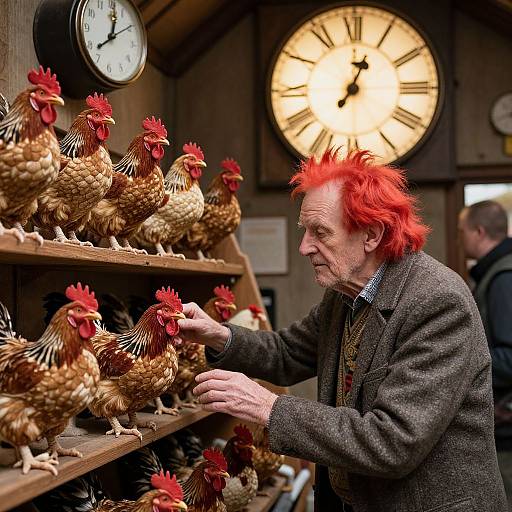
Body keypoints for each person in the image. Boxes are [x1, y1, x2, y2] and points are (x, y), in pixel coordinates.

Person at [178, 150, 507, 511]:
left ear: (371, 234)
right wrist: (218, 335)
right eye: (306, 230)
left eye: (320, 232)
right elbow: (287, 353)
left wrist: (269, 407)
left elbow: (392, 442)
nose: (305, 247)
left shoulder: (438, 302)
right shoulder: (344, 294)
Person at [459, 200, 512, 506]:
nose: (459, 238)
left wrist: (459, 363)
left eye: (461, 231)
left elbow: (510, 358)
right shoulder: (494, 273)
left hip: (507, 436)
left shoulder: (503, 278)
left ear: (479, 232)